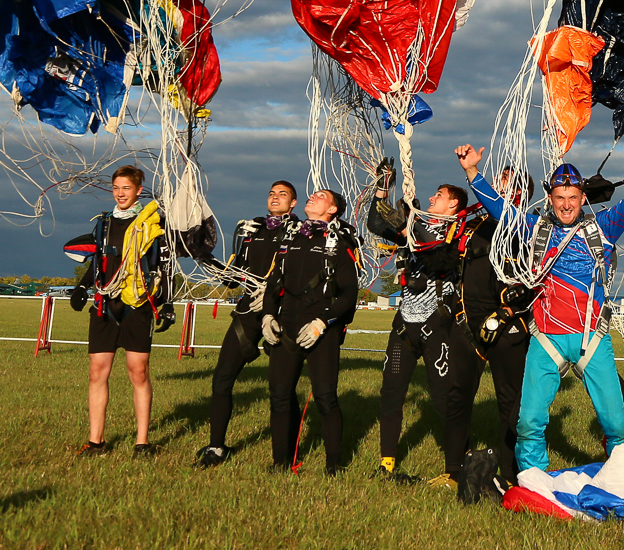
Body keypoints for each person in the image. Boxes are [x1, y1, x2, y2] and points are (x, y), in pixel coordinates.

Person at [458, 135, 624, 474]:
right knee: (528, 423)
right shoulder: (532, 229)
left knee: (616, 424)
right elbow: (500, 209)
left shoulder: (604, 227)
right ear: (550, 199)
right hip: (546, 339)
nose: (566, 204)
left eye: (572, 197)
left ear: (583, 198)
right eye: (559, 197)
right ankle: (534, 482)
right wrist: (473, 172)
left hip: (591, 340)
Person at [368, 170, 478, 490]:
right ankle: (386, 462)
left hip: (437, 325)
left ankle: (462, 461)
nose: (431, 198)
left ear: (453, 204)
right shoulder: (415, 226)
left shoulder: (459, 231)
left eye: (439, 196)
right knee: (391, 393)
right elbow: (378, 225)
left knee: (445, 398)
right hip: (405, 324)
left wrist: (410, 223)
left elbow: (438, 256)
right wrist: (381, 193)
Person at [70, 165, 173, 456]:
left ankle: (142, 443)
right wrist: (82, 287)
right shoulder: (103, 223)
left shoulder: (153, 224)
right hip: (105, 305)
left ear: (139, 190)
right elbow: (97, 261)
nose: (120, 193)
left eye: (126, 188)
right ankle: (96, 442)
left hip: (137, 306)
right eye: (116, 188)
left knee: (137, 372)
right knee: (96, 372)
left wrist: (167, 304)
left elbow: (165, 266)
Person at [196, 181, 300, 467]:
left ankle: (285, 454)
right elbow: (234, 279)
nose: (275, 198)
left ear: (293, 203)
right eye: (271, 193)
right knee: (222, 379)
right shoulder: (253, 232)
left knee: (282, 390)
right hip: (249, 313)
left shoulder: (299, 233)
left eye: (283, 195)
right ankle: (216, 447)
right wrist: (207, 260)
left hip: (281, 314)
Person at [262, 189, 360, 474]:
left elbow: (348, 294)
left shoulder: (339, 244)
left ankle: (333, 465)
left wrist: (322, 322)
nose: (312, 198)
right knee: (280, 395)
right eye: (312, 195)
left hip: (321, 330)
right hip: (287, 328)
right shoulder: (289, 239)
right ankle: (280, 462)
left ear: (332, 210)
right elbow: (273, 283)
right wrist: (269, 314)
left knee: (325, 397)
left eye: (321, 197)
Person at [457, 167, 535, 497]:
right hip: (469, 325)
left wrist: (473, 173)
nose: (496, 186)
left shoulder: (523, 226)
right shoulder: (475, 225)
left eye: (503, 182)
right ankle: (455, 466)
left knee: (510, 403)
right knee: (457, 396)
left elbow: (530, 282)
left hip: (507, 328)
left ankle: (512, 473)